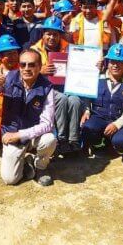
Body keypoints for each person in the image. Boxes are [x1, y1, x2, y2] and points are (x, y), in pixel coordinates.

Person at [0, 49, 56, 186]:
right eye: (23, 64)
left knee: (49, 139)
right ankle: (27, 161)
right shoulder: (8, 79)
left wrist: (20, 135)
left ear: (39, 66)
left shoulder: (47, 87)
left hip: (31, 135)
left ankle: (40, 166)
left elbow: (47, 124)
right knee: (10, 180)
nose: (26, 68)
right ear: (19, 66)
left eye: (31, 65)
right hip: (11, 133)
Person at [31, 16, 83, 153]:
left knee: (75, 100)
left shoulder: (70, 48)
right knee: (61, 98)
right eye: (48, 33)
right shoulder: (34, 50)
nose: (52, 37)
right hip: (42, 89)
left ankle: (74, 139)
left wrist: (95, 64)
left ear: (60, 35)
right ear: (43, 34)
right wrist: (39, 71)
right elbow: (26, 73)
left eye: (55, 34)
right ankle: (61, 139)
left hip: (66, 86)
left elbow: (82, 65)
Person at [80, 44, 123, 155]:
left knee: (121, 141)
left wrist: (117, 124)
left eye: (120, 62)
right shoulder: (97, 78)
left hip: (120, 120)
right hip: (99, 117)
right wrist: (87, 110)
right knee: (88, 128)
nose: (115, 65)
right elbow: (87, 96)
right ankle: (98, 144)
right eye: (112, 61)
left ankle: (116, 145)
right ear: (107, 63)